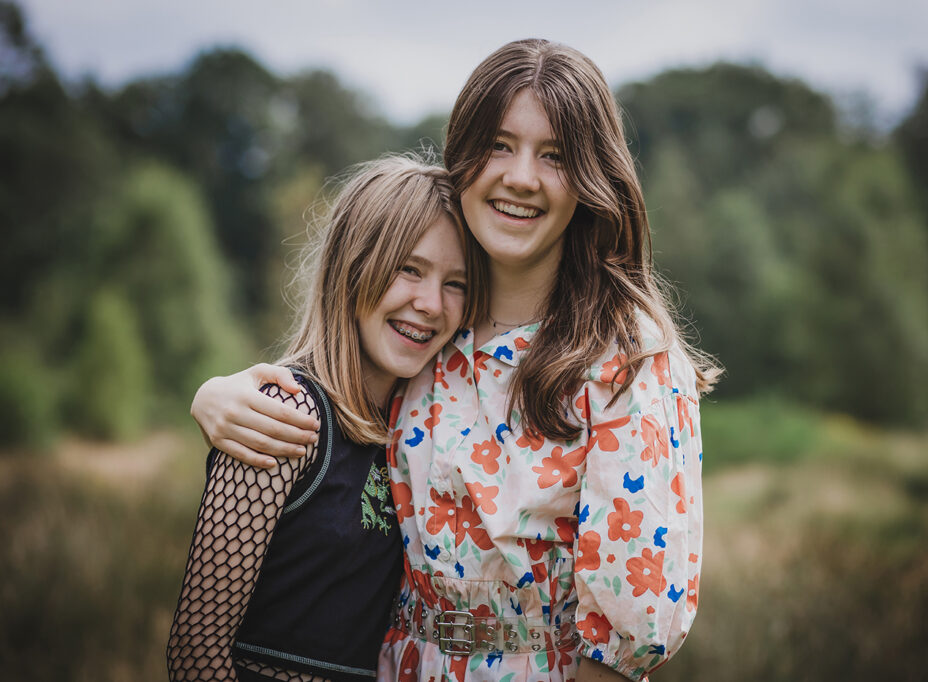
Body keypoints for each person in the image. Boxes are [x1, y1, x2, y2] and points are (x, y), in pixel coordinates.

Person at [191, 39, 719, 681]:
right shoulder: (434, 331)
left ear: (590, 179)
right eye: (499, 145)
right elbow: (335, 399)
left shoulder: (625, 357)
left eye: (554, 156)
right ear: (463, 157)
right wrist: (215, 393)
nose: (521, 177)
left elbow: (627, 628)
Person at [167, 155, 485, 681]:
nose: (431, 304)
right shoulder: (285, 414)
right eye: (410, 269)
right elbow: (195, 652)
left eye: (457, 283)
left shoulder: (421, 432)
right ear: (352, 266)